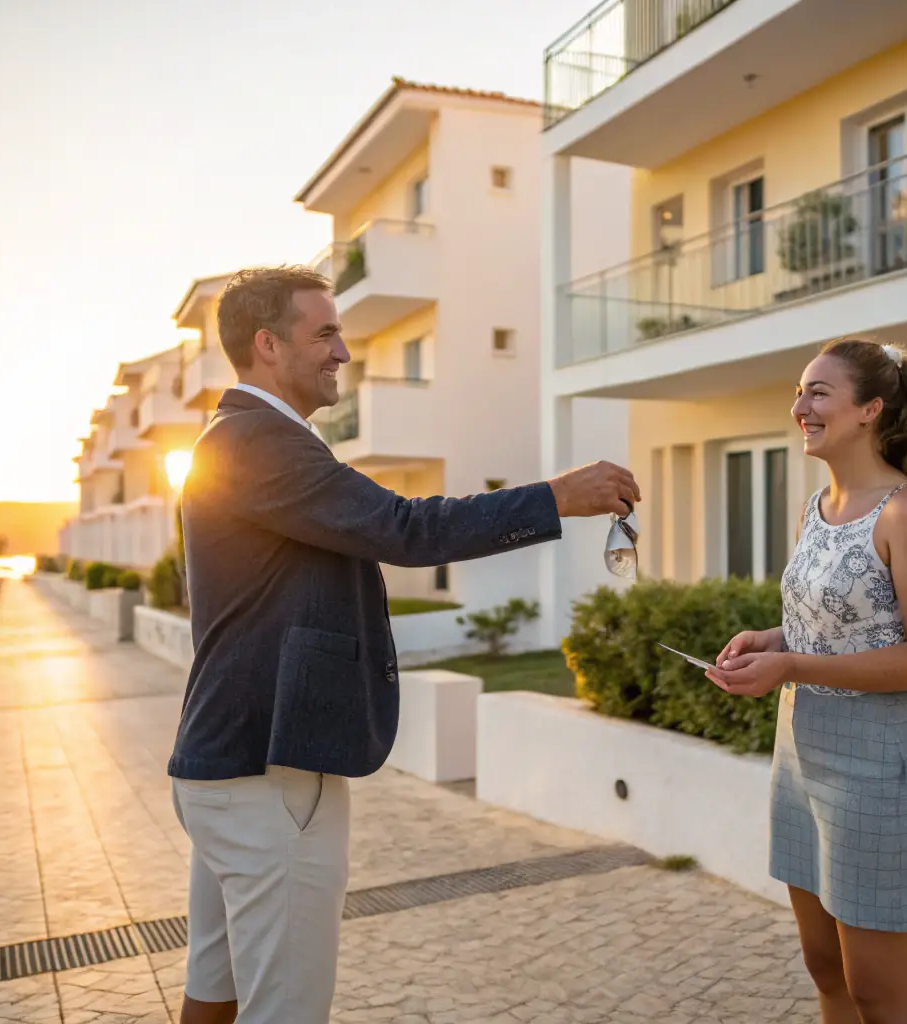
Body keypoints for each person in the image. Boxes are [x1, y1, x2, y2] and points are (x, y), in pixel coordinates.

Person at [167, 265, 639, 1024]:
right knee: (282, 1009)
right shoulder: (259, 443)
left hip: (229, 766)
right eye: (323, 333)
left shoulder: (241, 440)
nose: (343, 353)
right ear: (266, 345)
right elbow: (405, 528)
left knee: (214, 995)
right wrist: (555, 498)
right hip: (270, 774)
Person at [705, 338, 907, 1024]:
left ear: (870, 410)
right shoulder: (816, 505)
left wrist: (791, 665)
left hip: (877, 768)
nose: (799, 408)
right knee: (825, 971)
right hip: (799, 759)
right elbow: (833, 625)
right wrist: (769, 641)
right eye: (798, 393)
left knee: (878, 993)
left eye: (818, 393)